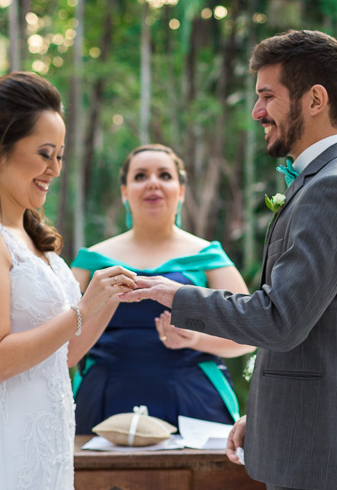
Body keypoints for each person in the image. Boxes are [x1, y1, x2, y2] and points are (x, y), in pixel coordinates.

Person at [120, 31, 337, 490]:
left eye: (267, 96)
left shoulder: (335, 188)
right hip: (307, 441)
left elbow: (279, 319)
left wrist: (176, 294)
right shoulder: (328, 181)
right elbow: (312, 331)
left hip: (322, 458)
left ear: (315, 100)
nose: (256, 111)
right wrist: (264, 418)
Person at [0, 72, 137, 489]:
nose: (54, 169)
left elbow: (61, 356)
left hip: (47, 447)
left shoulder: (30, 236)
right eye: (45, 153)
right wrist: (83, 307)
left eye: (60, 155)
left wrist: (107, 300)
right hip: (4, 449)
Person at [70, 144, 254, 433]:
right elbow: (59, 337)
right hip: (102, 400)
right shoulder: (90, 261)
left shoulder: (209, 257)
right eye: (141, 176)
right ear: (124, 192)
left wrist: (194, 339)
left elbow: (249, 334)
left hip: (196, 402)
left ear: (180, 191)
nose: (153, 182)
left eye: (165, 175)